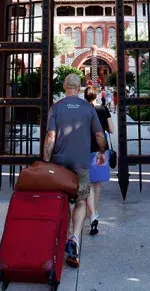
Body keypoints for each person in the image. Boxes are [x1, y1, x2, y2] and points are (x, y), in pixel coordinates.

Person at [43, 74, 107, 268]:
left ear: (64, 86)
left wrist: (46, 160)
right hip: (81, 163)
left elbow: (51, 136)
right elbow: (99, 134)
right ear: (79, 88)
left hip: (59, 163)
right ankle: (74, 239)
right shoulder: (88, 108)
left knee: (59, 200)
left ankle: (55, 238)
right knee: (80, 201)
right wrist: (102, 152)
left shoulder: (55, 108)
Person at [84, 86, 114, 236]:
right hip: (101, 149)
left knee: (88, 182)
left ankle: (92, 213)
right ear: (97, 96)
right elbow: (112, 129)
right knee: (98, 183)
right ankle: (94, 211)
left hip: (87, 148)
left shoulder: (83, 110)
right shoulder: (103, 109)